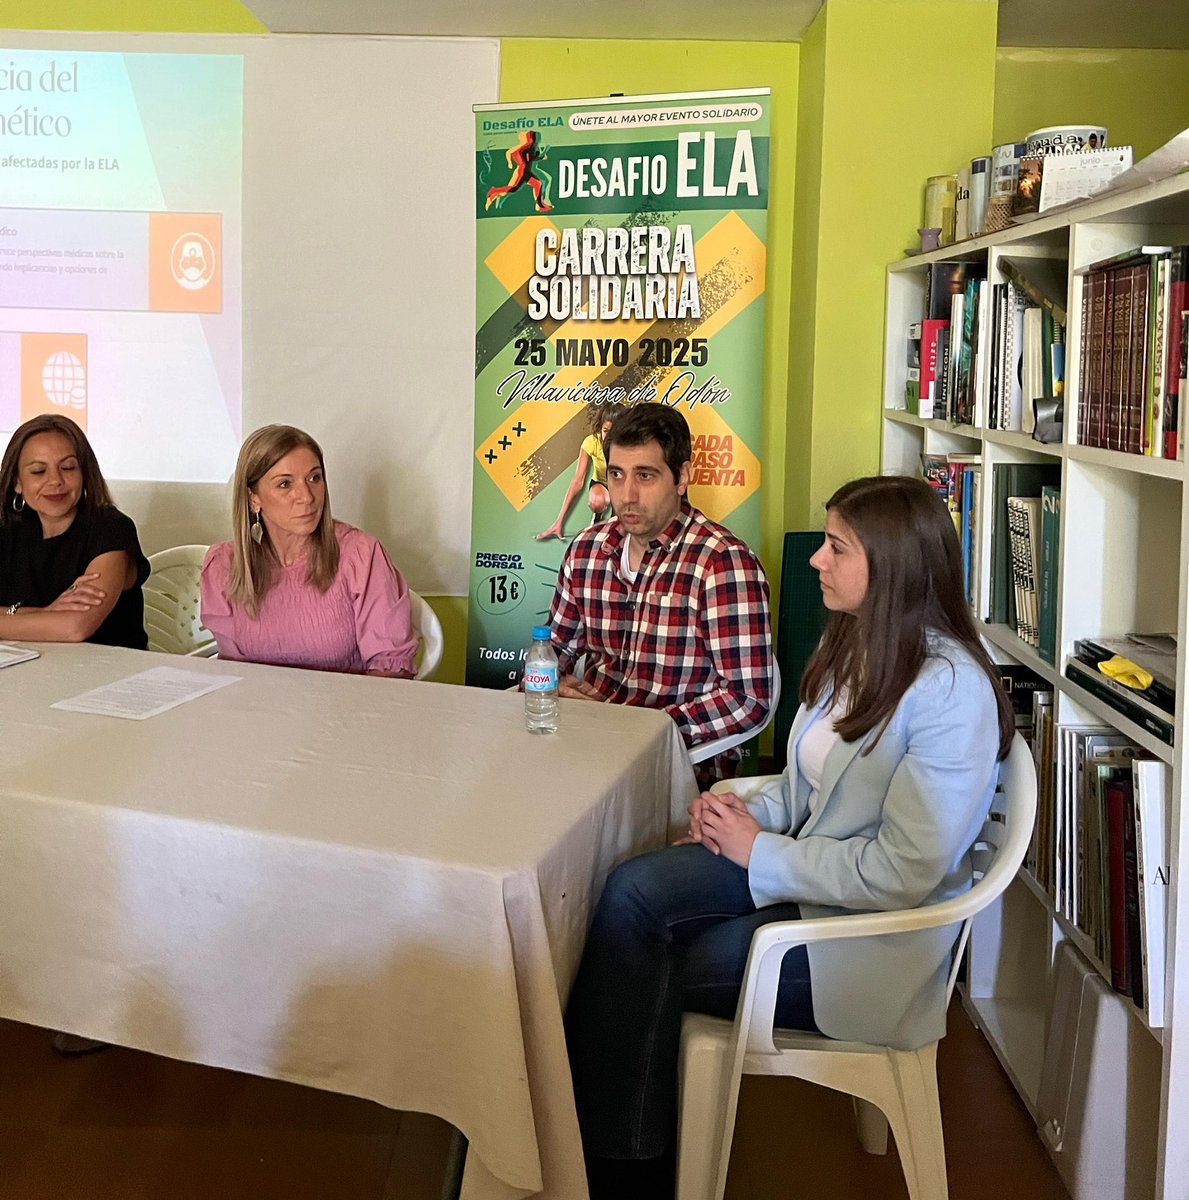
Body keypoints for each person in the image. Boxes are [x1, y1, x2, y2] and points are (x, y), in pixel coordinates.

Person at [564, 474, 1015, 1199]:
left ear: (891, 565)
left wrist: (756, 851)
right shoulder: (863, 645)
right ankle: (616, 1143)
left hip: (868, 942)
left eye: (835, 547)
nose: (815, 560)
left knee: (643, 967)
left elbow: (903, 872)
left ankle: (622, 1169)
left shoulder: (949, 692)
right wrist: (740, 818)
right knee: (627, 892)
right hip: (807, 880)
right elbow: (810, 784)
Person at [547, 403, 774, 787]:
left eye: (646, 476)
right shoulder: (585, 550)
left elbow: (748, 699)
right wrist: (552, 684)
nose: (627, 495)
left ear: (682, 476)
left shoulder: (722, 564)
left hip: (675, 766)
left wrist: (646, 731)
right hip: (583, 748)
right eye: (617, 475)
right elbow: (553, 648)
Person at [201, 425, 418, 677]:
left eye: (314, 478)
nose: (306, 496)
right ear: (254, 498)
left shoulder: (361, 555)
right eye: (285, 484)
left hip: (347, 710)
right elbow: (233, 673)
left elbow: (391, 671)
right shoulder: (223, 566)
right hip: (261, 711)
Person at [0, 414, 149, 648]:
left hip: (108, 673)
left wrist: (17, 616)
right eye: (39, 471)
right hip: (31, 670)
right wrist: (44, 613)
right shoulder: (8, 529)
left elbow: (74, 627)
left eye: (68, 468)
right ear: (17, 482)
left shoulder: (110, 527)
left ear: (84, 474)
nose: (55, 481)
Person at [536, 406, 613, 541]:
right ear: (600, 428)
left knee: (618, 527)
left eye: (615, 431)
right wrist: (559, 521)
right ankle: (597, 517)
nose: (609, 437)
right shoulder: (591, 442)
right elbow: (578, 480)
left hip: (622, 486)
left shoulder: (629, 444)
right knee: (598, 501)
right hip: (602, 484)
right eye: (606, 431)